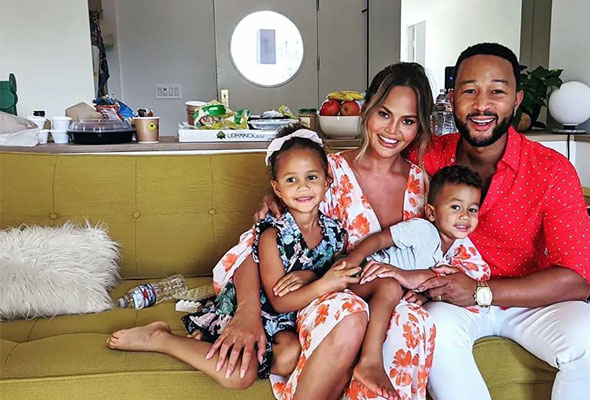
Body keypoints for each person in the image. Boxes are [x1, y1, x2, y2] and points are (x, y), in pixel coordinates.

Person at [407, 43, 590, 400]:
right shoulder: (426, 157)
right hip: (450, 303)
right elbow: (368, 171)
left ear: (517, 99)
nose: (481, 105)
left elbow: (577, 278)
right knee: (431, 334)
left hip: (532, 301)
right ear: (452, 98)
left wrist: (481, 291)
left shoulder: (551, 170)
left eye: (497, 91)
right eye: (469, 91)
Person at [208, 62, 438, 399]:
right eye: (384, 114)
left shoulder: (423, 185)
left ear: (420, 126)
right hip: (325, 298)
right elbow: (253, 248)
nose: (392, 130)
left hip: (388, 297)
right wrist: (247, 312)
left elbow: (438, 251)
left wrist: (424, 287)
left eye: (408, 121)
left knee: (410, 323)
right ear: (366, 110)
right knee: (349, 313)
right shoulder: (326, 174)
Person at [106, 126, 358, 390]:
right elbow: (278, 300)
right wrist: (322, 284)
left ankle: (204, 343)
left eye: (312, 177)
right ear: (277, 188)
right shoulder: (273, 234)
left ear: (327, 181)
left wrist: (314, 276)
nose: (303, 187)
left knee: (288, 358)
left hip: (288, 322)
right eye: (291, 180)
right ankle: (160, 338)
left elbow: (337, 265)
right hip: (260, 309)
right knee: (239, 377)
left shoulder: (335, 232)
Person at [337, 165, 490, 399]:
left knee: (397, 292)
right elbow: (379, 240)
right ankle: (369, 360)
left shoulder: (454, 249)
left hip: (384, 288)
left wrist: (421, 295)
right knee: (390, 285)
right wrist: (352, 262)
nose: (465, 216)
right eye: (455, 207)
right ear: (431, 213)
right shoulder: (422, 230)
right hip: (363, 275)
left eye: (472, 209)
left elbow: (438, 280)